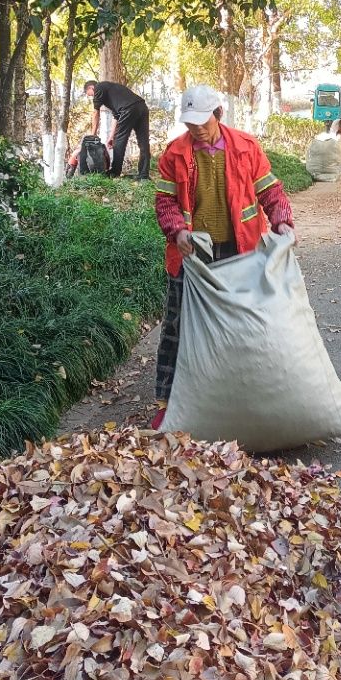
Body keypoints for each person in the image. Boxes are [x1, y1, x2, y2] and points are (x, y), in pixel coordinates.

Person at [152, 84, 295, 424]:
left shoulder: (245, 148)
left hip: (239, 249)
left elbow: (270, 191)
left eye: (203, 121)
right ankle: (167, 405)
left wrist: (282, 221)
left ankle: (241, 400)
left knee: (241, 322)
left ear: (218, 114)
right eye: (190, 123)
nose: (197, 129)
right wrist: (178, 231)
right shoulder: (173, 154)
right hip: (191, 252)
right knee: (178, 324)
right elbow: (165, 202)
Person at [83, 79, 151, 180]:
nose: (94, 98)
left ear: (91, 88)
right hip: (142, 107)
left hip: (129, 109)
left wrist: (93, 135)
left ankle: (115, 172)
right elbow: (116, 116)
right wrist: (111, 136)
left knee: (119, 141)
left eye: (91, 95)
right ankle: (144, 175)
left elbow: (95, 113)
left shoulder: (99, 87)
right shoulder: (113, 92)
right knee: (143, 142)